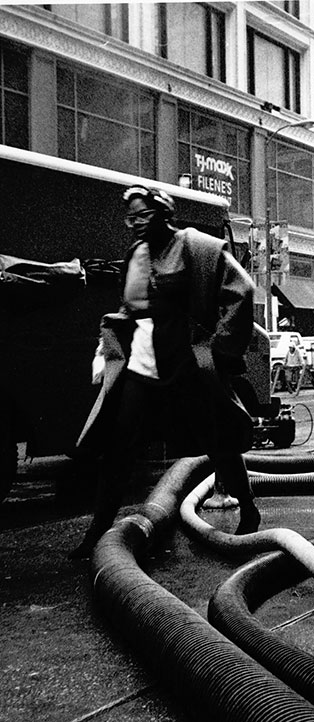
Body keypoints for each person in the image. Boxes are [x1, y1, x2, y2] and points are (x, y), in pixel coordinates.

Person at [69, 185, 260, 559]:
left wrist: (219, 348)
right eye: (131, 217)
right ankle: (97, 530)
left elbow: (242, 290)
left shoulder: (195, 245)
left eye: (143, 215)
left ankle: (249, 511)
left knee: (217, 440)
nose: (136, 224)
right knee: (118, 449)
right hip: (142, 365)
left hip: (185, 364)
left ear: (163, 213)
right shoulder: (136, 253)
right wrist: (106, 350)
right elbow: (127, 309)